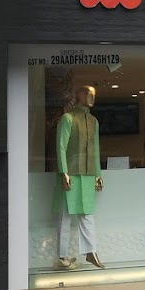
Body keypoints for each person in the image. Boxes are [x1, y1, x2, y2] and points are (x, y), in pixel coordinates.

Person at [57, 84, 105, 269]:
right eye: (88, 94)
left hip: (88, 174)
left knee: (87, 214)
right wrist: (64, 172)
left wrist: (98, 174)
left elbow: (96, 149)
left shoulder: (93, 121)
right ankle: (62, 256)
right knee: (66, 215)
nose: (92, 98)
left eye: (94, 95)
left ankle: (91, 251)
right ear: (80, 96)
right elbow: (61, 146)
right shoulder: (68, 118)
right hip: (71, 174)